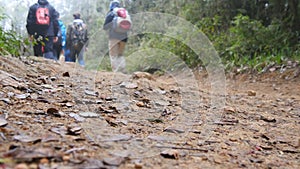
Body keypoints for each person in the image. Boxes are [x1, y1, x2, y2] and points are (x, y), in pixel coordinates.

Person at [103, 0, 129, 73]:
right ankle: (123, 70)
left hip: (113, 36)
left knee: (113, 55)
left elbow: (105, 27)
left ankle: (116, 72)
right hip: (124, 37)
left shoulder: (111, 13)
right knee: (120, 54)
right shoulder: (125, 13)